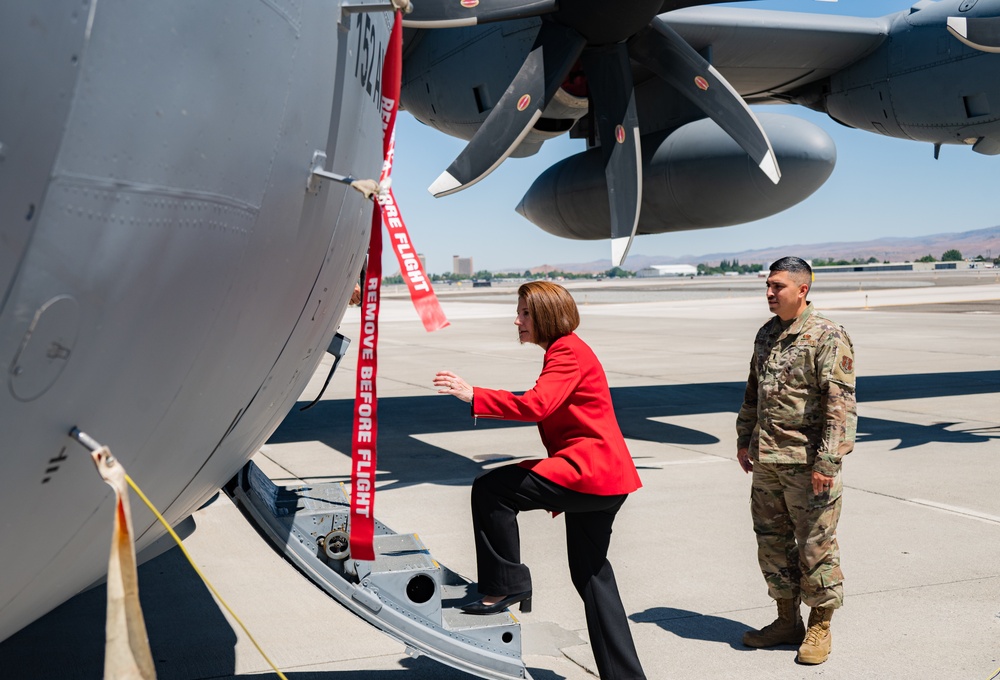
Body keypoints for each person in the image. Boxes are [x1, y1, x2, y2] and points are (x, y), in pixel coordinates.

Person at [434, 281, 645, 680]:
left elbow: (537, 405)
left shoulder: (566, 350)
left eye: (525, 313)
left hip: (589, 473)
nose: (517, 320)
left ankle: (506, 583)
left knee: (492, 489)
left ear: (547, 314)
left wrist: (473, 395)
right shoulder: (567, 350)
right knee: (592, 578)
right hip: (606, 480)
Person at [736, 256, 857, 665]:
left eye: (777, 287)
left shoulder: (827, 335)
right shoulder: (766, 334)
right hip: (767, 459)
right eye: (767, 287)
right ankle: (786, 621)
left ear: (802, 289)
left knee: (815, 547)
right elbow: (754, 392)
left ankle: (820, 625)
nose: (769, 294)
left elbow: (839, 404)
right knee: (772, 544)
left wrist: (827, 461)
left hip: (808, 465)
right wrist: (743, 438)